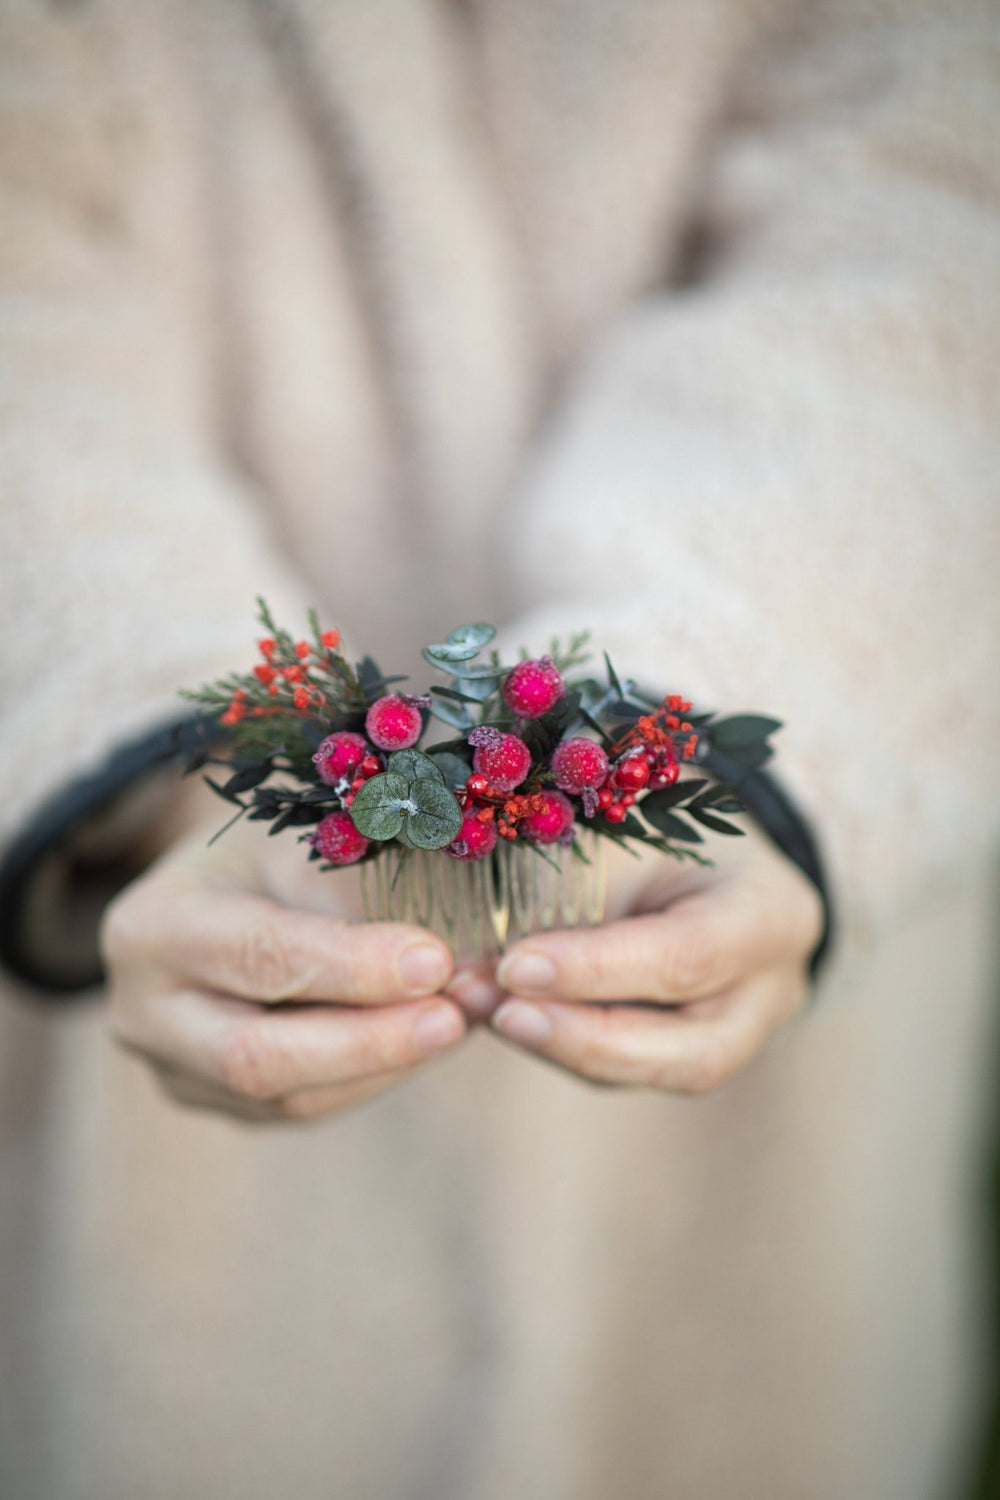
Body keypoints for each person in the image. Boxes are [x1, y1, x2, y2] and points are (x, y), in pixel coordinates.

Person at [1, 2, 998, 1497]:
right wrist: (162, 752)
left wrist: (705, 699)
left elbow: (946, 203)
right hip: (151, 1158)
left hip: (744, 1200)